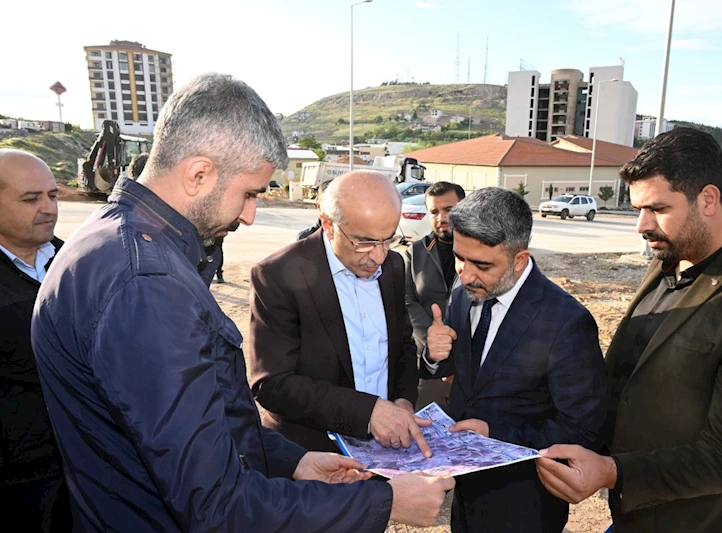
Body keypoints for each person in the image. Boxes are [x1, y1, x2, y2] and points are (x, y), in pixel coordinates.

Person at [32, 73, 453, 532]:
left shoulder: (112, 241)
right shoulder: (147, 283)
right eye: (249, 193)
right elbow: (215, 506)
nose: (250, 215)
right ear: (198, 173)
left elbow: (188, 429)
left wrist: (289, 460)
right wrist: (383, 503)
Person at [535, 128, 722, 532]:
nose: (641, 225)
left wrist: (611, 472)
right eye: (639, 208)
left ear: (708, 199)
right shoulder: (670, 259)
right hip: (635, 516)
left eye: (657, 208)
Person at [423, 187, 608, 533]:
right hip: (464, 494)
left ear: (520, 259)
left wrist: (495, 435)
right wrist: (433, 356)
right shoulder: (464, 295)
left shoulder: (566, 322)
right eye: (460, 259)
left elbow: (583, 429)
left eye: (481, 264)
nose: (464, 275)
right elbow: (464, 374)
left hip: (525, 503)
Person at [249, 170, 433, 456]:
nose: (379, 256)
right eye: (365, 242)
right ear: (329, 225)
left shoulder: (394, 266)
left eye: (388, 240)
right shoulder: (278, 275)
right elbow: (271, 384)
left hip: (386, 450)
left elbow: (402, 347)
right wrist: (368, 413)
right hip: (311, 454)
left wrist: (403, 401)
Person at [0, 150, 71, 531]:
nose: (48, 208)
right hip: (19, 476)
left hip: (80, 458)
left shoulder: (74, 260)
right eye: (31, 199)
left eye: (53, 195)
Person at [403, 181, 465, 409]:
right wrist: (431, 339)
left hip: (471, 361)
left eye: (449, 210)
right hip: (428, 359)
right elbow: (408, 302)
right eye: (434, 212)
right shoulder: (416, 251)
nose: (441, 218)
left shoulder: (480, 251)